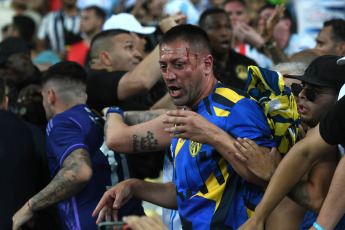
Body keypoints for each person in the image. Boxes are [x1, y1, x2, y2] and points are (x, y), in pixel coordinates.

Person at [92, 24, 276, 229]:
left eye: (179, 65)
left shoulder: (236, 107)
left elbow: (267, 177)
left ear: (207, 64)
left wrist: (213, 136)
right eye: (164, 67)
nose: (169, 75)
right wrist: (133, 187)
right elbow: (189, 193)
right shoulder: (188, 113)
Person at [12, 61, 144, 230]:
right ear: (85, 97)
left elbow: (79, 171)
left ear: (50, 96)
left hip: (95, 224)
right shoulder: (104, 121)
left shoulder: (61, 121)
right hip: (135, 222)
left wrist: (31, 205)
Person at [237, 56, 345, 230]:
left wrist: (270, 173)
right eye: (299, 89)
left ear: (339, 96)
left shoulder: (327, 145)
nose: (300, 96)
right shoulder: (304, 135)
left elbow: (317, 199)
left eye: (313, 92)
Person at [198, 8, 257, 90]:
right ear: (201, 32)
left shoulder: (248, 64)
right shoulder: (196, 69)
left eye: (228, 26)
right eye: (216, 27)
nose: (224, 33)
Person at [0, 36, 46, 132]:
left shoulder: (51, 81)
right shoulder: (9, 97)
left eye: (6, 66)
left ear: (26, 58)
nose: (2, 72)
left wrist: (46, 94)